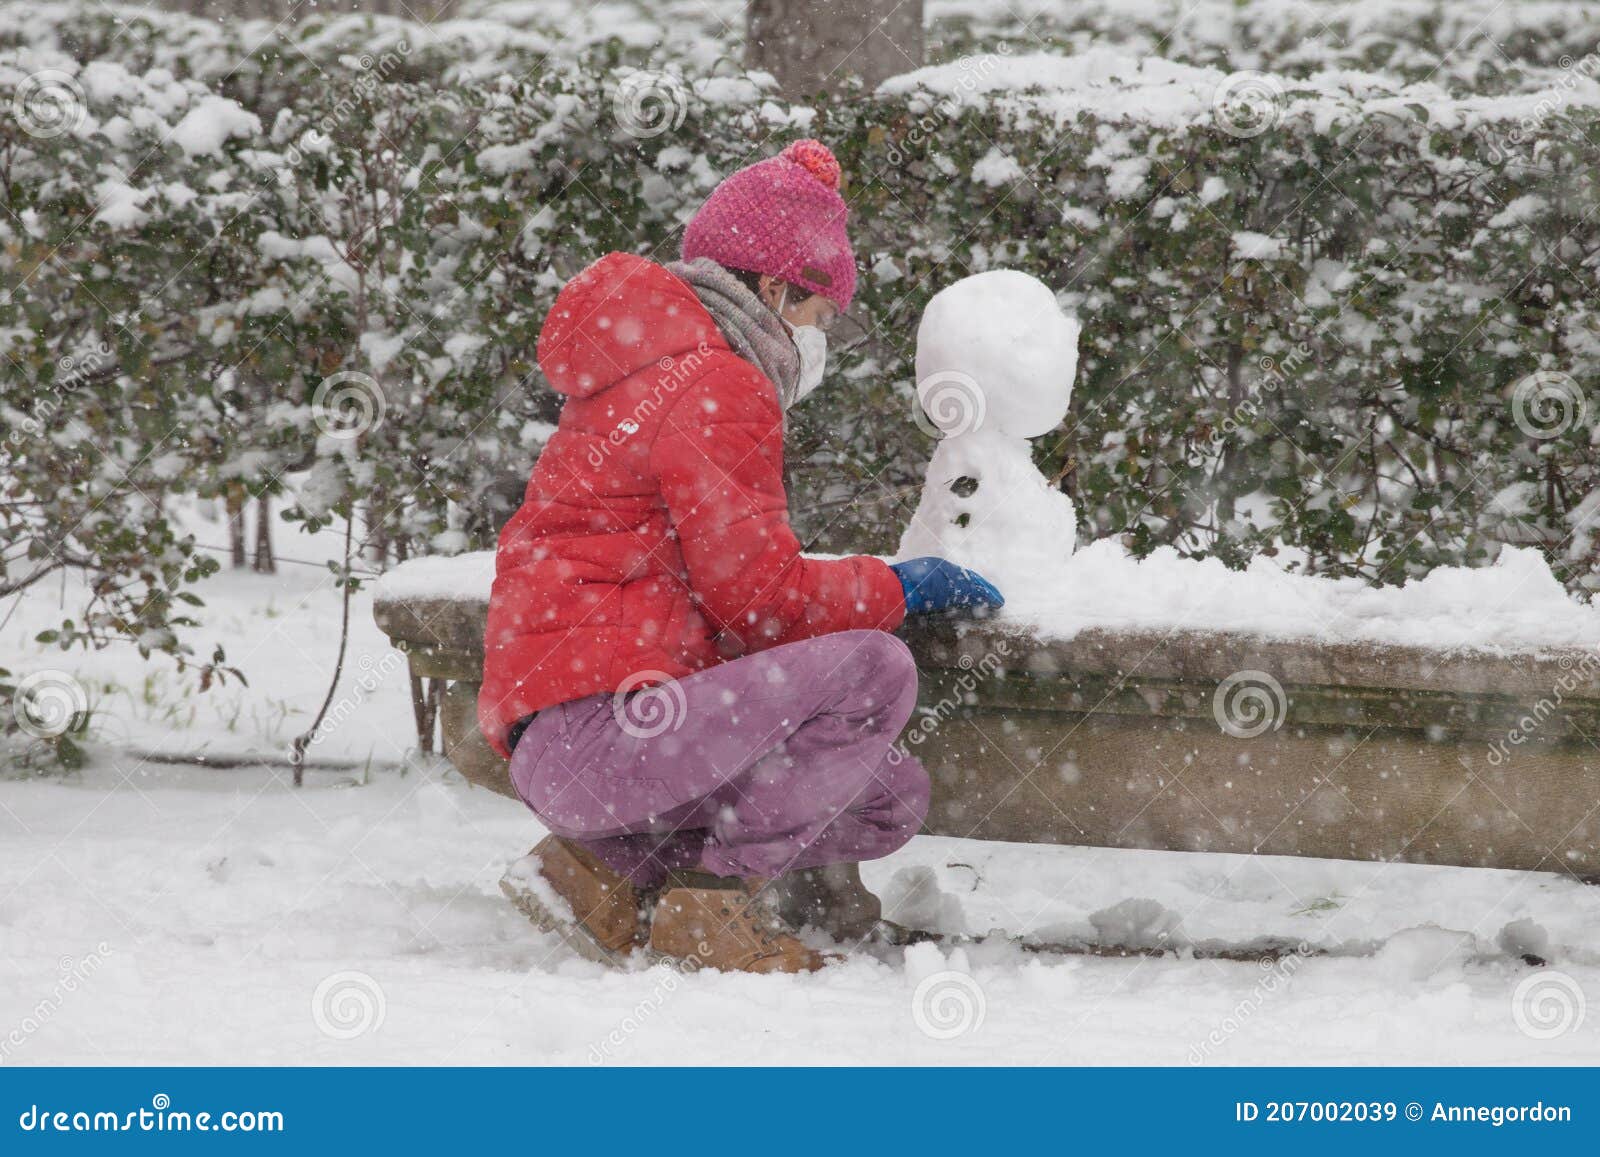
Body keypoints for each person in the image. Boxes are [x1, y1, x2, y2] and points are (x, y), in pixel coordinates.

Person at [479, 139, 1004, 974]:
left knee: (883, 794)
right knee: (876, 670)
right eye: (822, 315)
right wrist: (896, 586)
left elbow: (717, 588)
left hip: (570, 734)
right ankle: (713, 909)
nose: (822, 338)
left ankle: (596, 870)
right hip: (604, 731)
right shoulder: (718, 384)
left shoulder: (643, 370)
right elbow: (759, 601)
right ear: (772, 289)